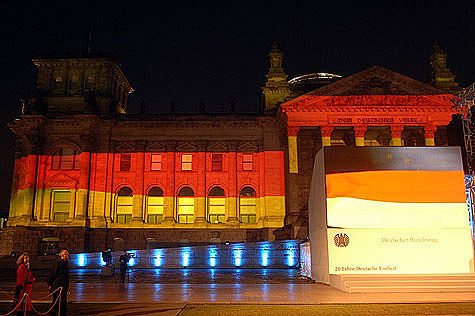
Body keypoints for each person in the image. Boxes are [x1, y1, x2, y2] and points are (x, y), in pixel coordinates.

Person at [47, 249, 69, 316]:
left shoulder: (65, 263)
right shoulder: (58, 263)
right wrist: (50, 283)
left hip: (63, 285)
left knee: (63, 301)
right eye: (67, 254)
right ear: (63, 255)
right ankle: (53, 314)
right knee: (56, 301)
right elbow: (53, 274)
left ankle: (63, 313)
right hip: (57, 285)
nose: (68, 256)